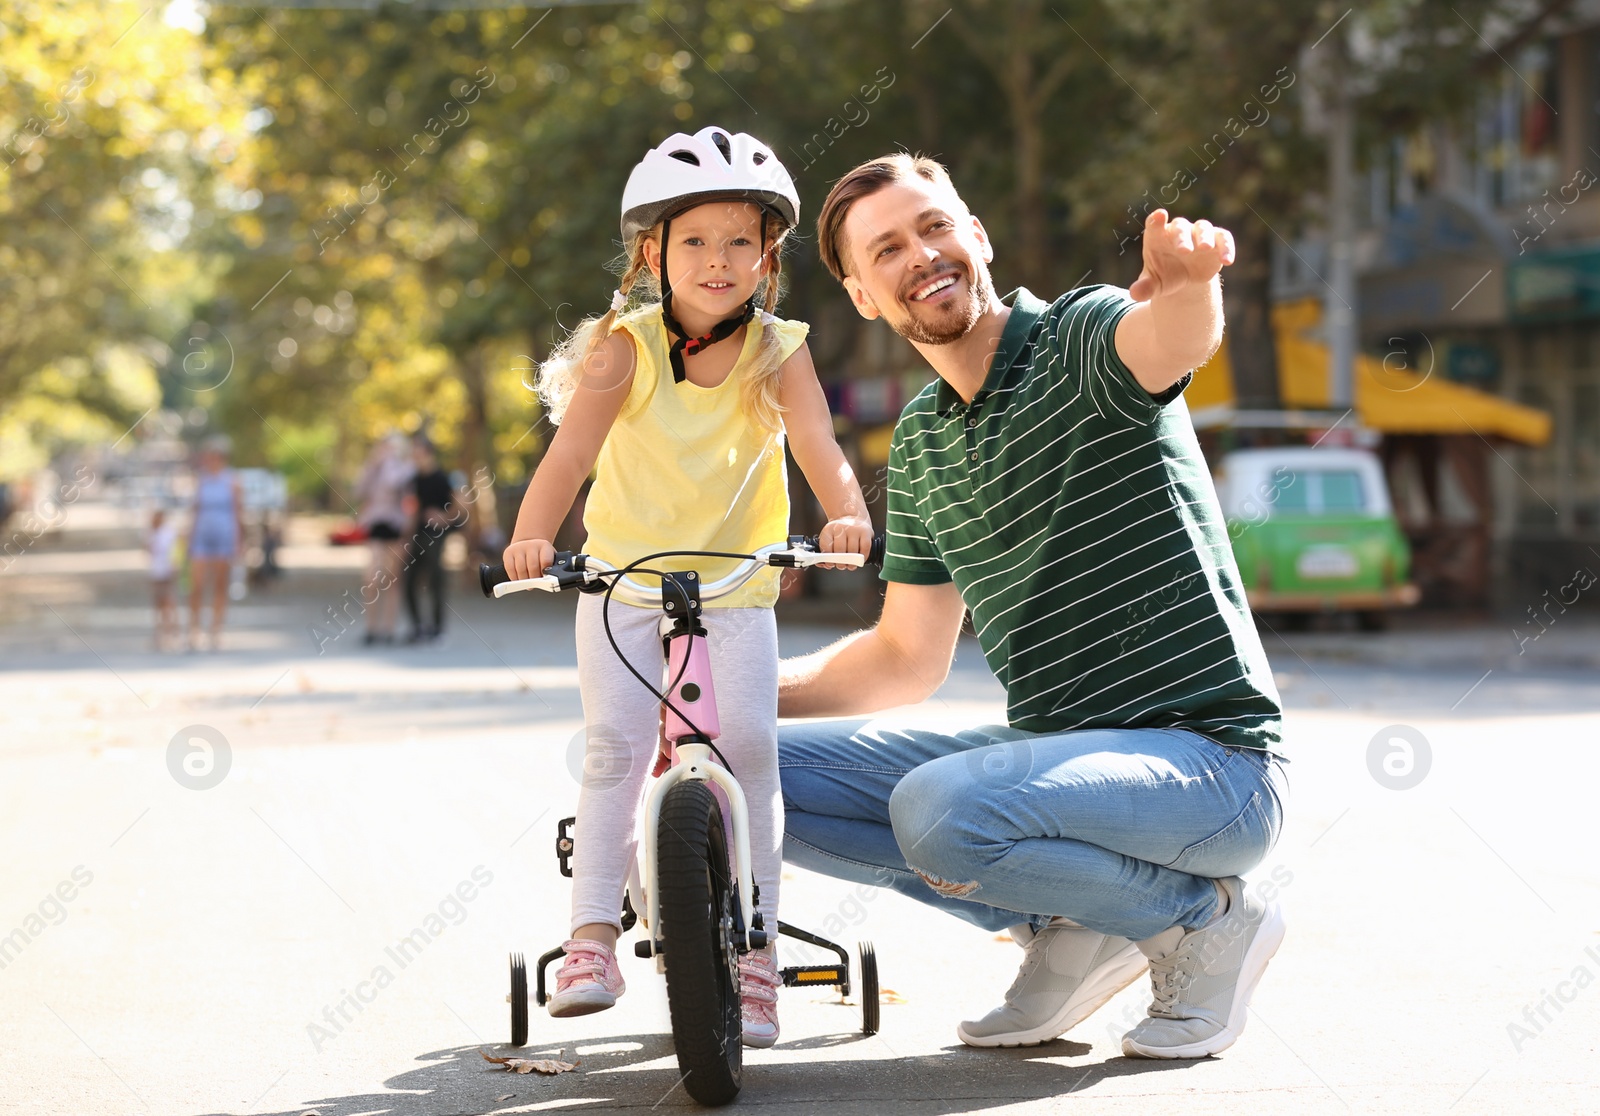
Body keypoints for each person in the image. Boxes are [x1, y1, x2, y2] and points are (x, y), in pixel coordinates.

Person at [774, 154, 1289, 1060]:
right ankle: (1075, 924)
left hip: (1212, 770)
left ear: (976, 235)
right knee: (755, 769)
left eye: (935, 226)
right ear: (862, 294)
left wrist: (1196, 282)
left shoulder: (1078, 337)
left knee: (940, 809)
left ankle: (1197, 921)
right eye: (887, 248)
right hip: (1063, 767)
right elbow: (903, 658)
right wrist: (714, 693)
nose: (921, 255)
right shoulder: (925, 440)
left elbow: (1171, 338)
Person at [502, 126, 873, 1047]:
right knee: (616, 753)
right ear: (651, 252)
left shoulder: (778, 350)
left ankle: (754, 959)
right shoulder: (621, 351)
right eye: (695, 240)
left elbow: (820, 449)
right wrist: (531, 536)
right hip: (625, 588)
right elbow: (572, 455)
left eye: (740, 241)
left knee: (751, 750)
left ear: (768, 255)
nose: (718, 260)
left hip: (736, 590)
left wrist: (847, 513)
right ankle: (590, 936)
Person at [355, 434, 414, 645]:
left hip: (396, 526)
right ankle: (371, 628)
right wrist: (373, 464)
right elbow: (359, 490)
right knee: (371, 579)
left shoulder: (405, 467)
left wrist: (391, 462)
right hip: (376, 525)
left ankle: (388, 629)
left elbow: (396, 484)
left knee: (392, 579)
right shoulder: (374, 467)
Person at [185, 435, 242, 652]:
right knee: (197, 585)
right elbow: (195, 510)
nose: (208, 460)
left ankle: (216, 630)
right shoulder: (201, 480)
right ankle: (194, 630)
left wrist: (238, 541)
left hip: (224, 535)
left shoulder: (232, 480)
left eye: (211, 457)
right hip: (202, 535)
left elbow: (238, 512)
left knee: (220, 584)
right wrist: (190, 538)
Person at [402, 436, 456, 644]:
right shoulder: (414, 480)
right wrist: (405, 536)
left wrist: (445, 517)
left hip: (436, 535)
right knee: (410, 581)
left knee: (436, 580)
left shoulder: (444, 477)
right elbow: (412, 509)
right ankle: (417, 627)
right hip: (418, 533)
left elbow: (461, 504)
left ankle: (438, 628)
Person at [147, 508, 179, 651]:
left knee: (168, 600)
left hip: (167, 571)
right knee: (158, 601)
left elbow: (175, 552)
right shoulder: (151, 533)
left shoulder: (168, 533)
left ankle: (171, 629)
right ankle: (160, 631)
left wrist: (174, 567)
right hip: (156, 572)